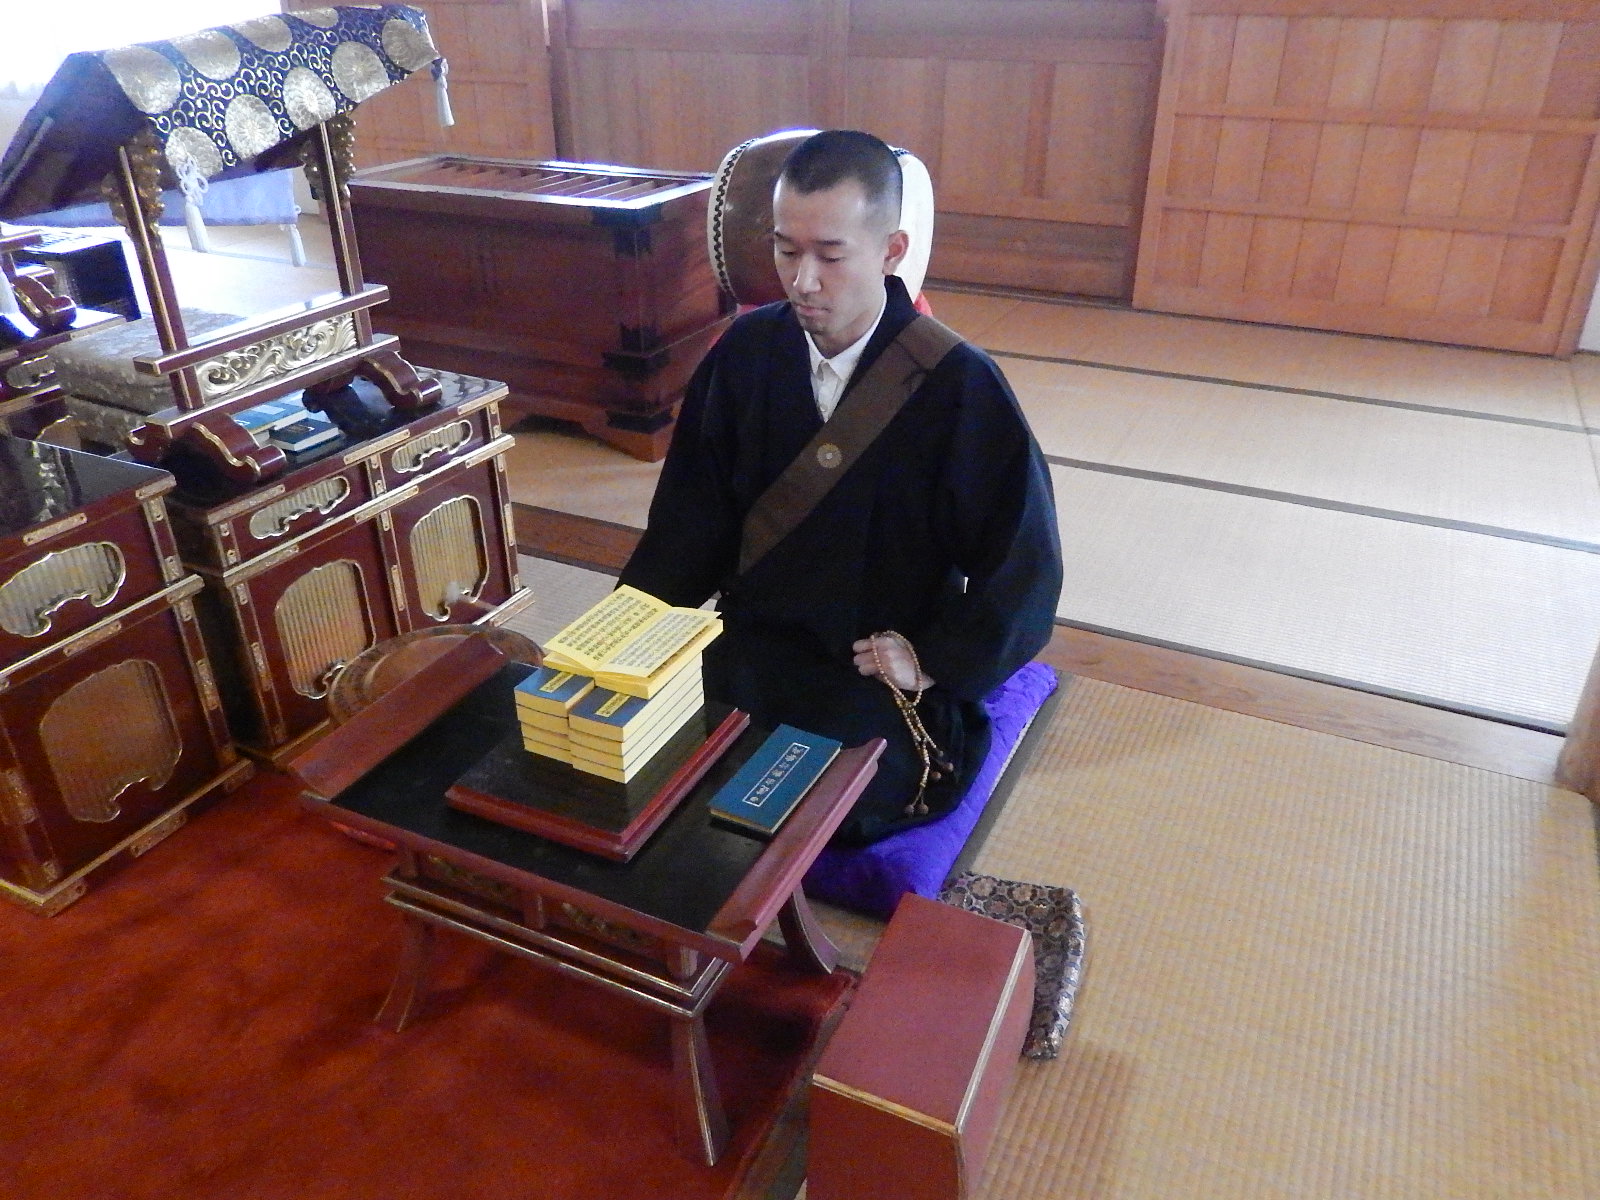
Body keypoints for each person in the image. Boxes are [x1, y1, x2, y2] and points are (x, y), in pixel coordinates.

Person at [619, 130, 1062, 843]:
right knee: (646, 760)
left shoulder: (958, 383)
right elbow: (688, 523)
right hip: (753, 642)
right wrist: (627, 634)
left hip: (871, 666)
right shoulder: (745, 354)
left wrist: (932, 660)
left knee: (822, 799)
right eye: (786, 250)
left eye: (830, 255)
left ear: (890, 251)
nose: (803, 281)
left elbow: (1024, 564)